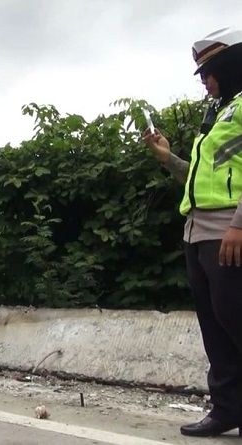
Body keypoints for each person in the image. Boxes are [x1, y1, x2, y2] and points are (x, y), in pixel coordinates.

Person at [144, 27, 242, 437]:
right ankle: (228, 409)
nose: (204, 82)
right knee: (215, 327)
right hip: (197, 231)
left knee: (236, 319)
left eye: (208, 73)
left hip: (229, 230)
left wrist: (238, 225)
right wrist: (169, 159)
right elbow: (202, 179)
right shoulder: (219, 114)